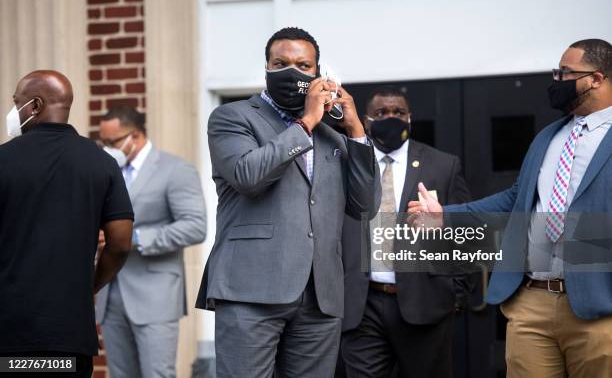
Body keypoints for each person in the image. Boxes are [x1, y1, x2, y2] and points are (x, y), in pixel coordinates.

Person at [410, 38, 612, 377]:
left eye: (565, 73)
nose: (556, 81)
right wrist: (446, 215)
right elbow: (515, 199)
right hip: (532, 301)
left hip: (598, 306)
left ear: (596, 78)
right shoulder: (550, 136)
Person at [195, 27, 381, 378]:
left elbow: (365, 206)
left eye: (302, 65)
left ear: (318, 74)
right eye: (280, 63)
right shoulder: (233, 117)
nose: (291, 71)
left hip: (319, 295)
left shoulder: (335, 137)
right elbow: (248, 176)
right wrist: (308, 120)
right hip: (251, 288)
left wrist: (356, 131)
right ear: (266, 68)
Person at [0, 70, 134, 377]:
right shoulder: (101, 162)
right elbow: (121, 242)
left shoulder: (3, 160)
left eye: (15, 102)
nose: (11, 111)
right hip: (70, 335)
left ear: (33, 105)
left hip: (9, 336)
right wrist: (91, 285)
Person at [340, 86, 471, 377]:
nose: (391, 117)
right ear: (367, 119)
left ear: (410, 118)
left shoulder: (443, 165)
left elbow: (463, 230)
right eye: (381, 113)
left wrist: (455, 294)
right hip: (362, 305)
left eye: (398, 112)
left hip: (425, 303)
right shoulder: (347, 162)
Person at [95, 106, 207, 378]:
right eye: (103, 142)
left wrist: (131, 238)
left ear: (136, 135)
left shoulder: (176, 169)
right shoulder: (105, 172)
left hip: (155, 294)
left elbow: (195, 227)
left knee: (158, 374)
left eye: (113, 142)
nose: (107, 148)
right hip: (110, 294)